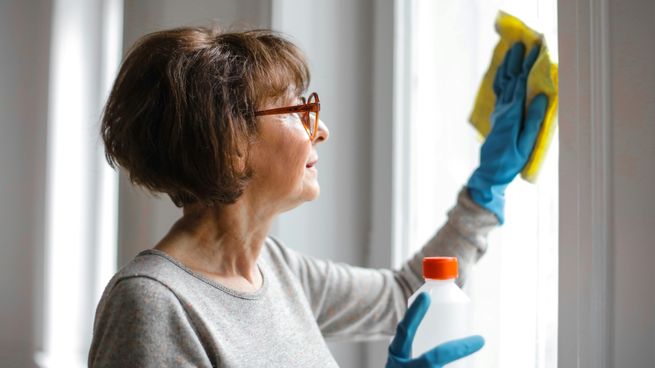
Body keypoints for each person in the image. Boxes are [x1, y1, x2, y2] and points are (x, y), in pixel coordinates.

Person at [88, 26, 546, 368]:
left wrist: (487, 186)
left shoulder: (279, 270)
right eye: (297, 109)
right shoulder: (153, 305)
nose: (321, 130)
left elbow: (406, 295)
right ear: (228, 143)